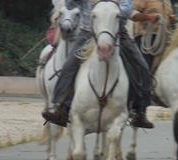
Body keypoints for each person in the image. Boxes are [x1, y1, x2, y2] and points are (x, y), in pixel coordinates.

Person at [42, 0, 156, 129]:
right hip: (88, 32)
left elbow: (127, 8)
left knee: (142, 66)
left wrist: (105, 7)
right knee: (70, 64)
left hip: (117, 33)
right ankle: (60, 107)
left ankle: (140, 111)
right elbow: (69, 5)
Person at [132, 0, 174, 70]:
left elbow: (168, 16)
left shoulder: (167, 1)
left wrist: (170, 18)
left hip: (163, 39)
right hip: (145, 39)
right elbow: (132, 12)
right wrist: (148, 17)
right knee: (144, 68)